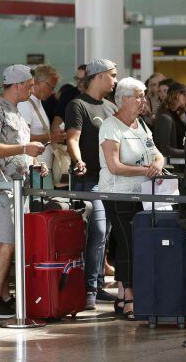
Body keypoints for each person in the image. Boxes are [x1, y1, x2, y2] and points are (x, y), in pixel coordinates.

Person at [0, 65, 46, 318]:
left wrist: (34, 162)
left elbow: (18, 149)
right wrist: (24, 150)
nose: (32, 89)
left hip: (16, 186)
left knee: (9, 242)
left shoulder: (15, 111)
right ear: (16, 85)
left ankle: (4, 297)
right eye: (29, 85)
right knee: (6, 242)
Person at [98, 77, 165, 319]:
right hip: (119, 194)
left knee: (137, 244)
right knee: (128, 245)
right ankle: (129, 298)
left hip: (144, 195)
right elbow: (114, 166)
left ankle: (122, 295)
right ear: (123, 99)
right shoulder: (110, 126)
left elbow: (157, 154)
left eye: (143, 95)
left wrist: (157, 164)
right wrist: (146, 170)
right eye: (138, 96)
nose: (143, 100)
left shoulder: (142, 125)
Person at [65, 58, 118, 309]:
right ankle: (87, 290)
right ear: (98, 76)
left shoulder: (110, 107)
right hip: (88, 180)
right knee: (96, 231)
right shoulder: (77, 105)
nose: (115, 80)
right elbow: (72, 139)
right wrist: (78, 160)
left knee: (105, 232)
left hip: (109, 179)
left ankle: (95, 286)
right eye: (112, 75)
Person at [18, 65, 61, 187]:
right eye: (50, 87)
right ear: (36, 82)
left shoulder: (37, 102)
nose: (52, 91)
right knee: (40, 204)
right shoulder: (26, 104)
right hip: (34, 170)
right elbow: (20, 139)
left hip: (41, 169)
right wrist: (49, 137)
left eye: (54, 88)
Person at [152, 82, 186, 160]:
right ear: (176, 95)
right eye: (184, 94)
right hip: (172, 167)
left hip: (179, 164)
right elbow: (165, 150)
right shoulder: (165, 117)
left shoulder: (176, 114)